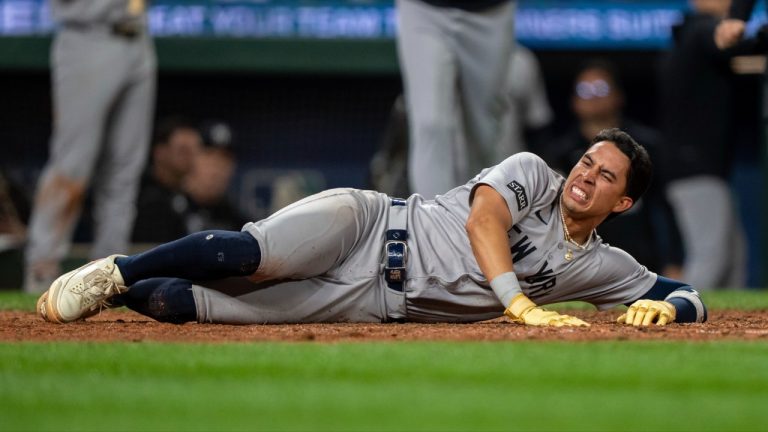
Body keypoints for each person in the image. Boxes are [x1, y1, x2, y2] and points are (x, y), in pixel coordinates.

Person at [35, 129, 706, 328]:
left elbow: (687, 292)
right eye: (588, 160)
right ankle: (115, 270)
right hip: (369, 225)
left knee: (183, 305)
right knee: (248, 253)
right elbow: (483, 220)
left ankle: (129, 293)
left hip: (372, 301)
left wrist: (668, 307)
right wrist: (520, 304)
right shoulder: (534, 172)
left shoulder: (599, 263)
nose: (586, 175)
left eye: (606, 176)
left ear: (623, 204)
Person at [24, 0, 156, 293]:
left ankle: (108, 277)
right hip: (87, 37)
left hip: (138, 36)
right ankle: (42, 270)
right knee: (73, 165)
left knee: (124, 171)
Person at [658, 0, 762, 289]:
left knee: (733, 259)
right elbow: (725, 37)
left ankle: (729, 333)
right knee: (710, 257)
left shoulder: (690, 36)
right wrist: (736, 21)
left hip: (703, 167)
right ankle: (679, 321)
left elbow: (742, 47)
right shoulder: (699, 29)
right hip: (695, 168)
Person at [545, 60, 684, 277]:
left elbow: (666, 207)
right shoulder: (559, 154)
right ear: (574, 101)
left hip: (639, 261)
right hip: (578, 267)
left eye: (601, 89)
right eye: (585, 90)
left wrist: (674, 261)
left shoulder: (646, 148)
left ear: (618, 96)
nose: (593, 97)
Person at [396, 0, 515, 198]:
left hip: (492, 14)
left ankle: (480, 214)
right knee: (430, 124)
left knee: (484, 134)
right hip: (423, 10)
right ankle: (432, 223)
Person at [132, 117, 203, 243]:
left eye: (194, 150)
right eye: (183, 151)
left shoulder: (192, 198)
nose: (190, 157)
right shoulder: (141, 195)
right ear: (160, 152)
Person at [182, 120, 249, 233]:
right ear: (189, 159)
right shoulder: (164, 209)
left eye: (225, 158)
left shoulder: (240, 225)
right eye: (209, 154)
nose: (217, 166)